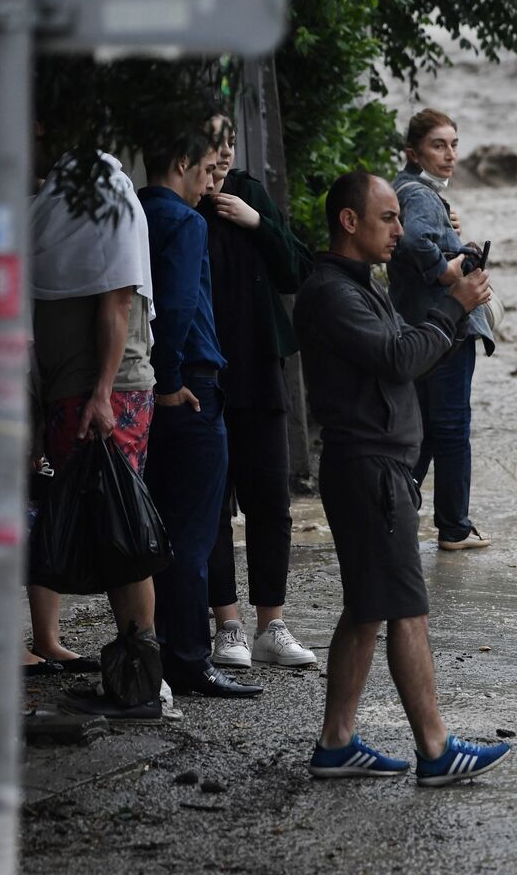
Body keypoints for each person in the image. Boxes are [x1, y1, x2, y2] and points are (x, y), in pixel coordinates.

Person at [294, 171, 510, 784]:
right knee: (406, 610)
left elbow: (404, 350)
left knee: (366, 609)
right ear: (349, 222)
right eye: (388, 218)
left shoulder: (361, 285)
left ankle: (336, 743)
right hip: (369, 467)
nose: (401, 229)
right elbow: (397, 359)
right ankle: (437, 751)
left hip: (375, 465)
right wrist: (453, 307)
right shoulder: (334, 294)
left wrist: (445, 314)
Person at [25, 149, 160, 715]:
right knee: (107, 530)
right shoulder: (58, 210)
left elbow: (116, 299)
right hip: (73, 394)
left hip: (104, 396)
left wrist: (103, 393)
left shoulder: (109, 209)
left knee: (122, 530)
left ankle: (143, 684)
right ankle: (131, 678)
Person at [139, 125, 262, 699]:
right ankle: (187, 658)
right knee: (192, 535)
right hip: (190, 388)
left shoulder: (136, 211)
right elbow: (181, 303)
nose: (212, 182)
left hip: (149, 390)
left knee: (159, 527)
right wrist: (170, 381)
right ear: (183, 160)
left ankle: (160, 648)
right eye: (209, 169)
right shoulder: (186, 222)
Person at [198, 111, 318, 671]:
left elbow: (298, 269)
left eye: (227, 143)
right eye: (211, 145)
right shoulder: (178, 206)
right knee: (213, 502)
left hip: (260, 366)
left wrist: (256, 221)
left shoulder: (248, 193)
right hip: (205, 375)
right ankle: (227, 626)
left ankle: (272, 623)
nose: (223, 155)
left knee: (271, 499)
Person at [390, 109, 494, 551]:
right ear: (414, 152)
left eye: (453, 144)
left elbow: (414, 237)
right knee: (450, 427)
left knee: (428, 428)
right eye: (439, 145)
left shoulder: (405, 189)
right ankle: (453, 527)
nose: (450, 154)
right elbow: (415, 240)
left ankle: (394, 508)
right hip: (445, 326)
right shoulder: (419, 194)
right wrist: (446, 271)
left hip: (420, 325)